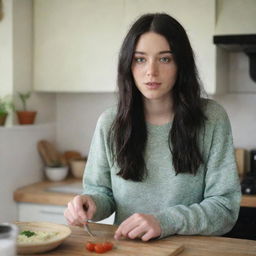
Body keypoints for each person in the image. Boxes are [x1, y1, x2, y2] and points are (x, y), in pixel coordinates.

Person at [64, 13, 241, 241]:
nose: (151, 71)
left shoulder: (212, 119)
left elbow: (225, 209)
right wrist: (91, 203)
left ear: (181, 64)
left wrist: (164, 221)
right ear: (128, 64)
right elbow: (103, 194)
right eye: (140, 59)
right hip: (128, 250)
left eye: (164, 59)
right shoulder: (109, 124)